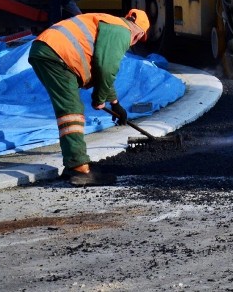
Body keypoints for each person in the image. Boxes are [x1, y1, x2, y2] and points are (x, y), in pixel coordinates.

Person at [28, 10, 150, 187]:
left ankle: (74, 164)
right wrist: (99, 98)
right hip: (57, 55)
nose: (134, 42)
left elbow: (102, 71)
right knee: (71, 111)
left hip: (49, 50)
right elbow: (106, 68)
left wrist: (115, 104)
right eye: (139, 38)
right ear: (138, 32)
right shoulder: (122, 31)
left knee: (69, 107)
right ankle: (79, 169)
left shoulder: (110, 24)